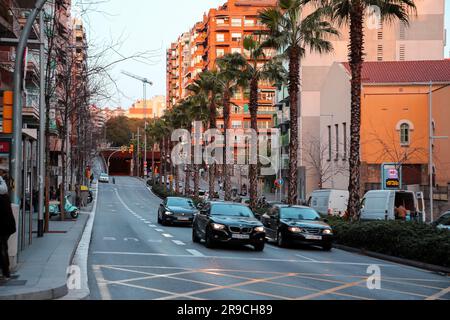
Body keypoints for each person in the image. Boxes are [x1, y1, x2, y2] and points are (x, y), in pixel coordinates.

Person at [0, 176, 16, 280]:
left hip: (3, 228)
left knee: (2, 249)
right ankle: (5, 271)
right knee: (3, 248)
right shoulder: (6, 198)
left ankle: (5, 272)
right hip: (7, 228)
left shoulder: (2, 199)